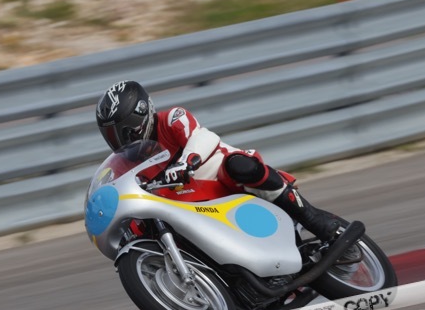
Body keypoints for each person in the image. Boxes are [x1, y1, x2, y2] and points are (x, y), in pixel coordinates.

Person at [95, 80, 341, 242]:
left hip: (217, 179)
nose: (121, 139)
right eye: (111, 134)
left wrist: (186, 163)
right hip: (187, 209)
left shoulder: (172, 118)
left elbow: (203, 137)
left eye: (126, 129)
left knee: (238, 166)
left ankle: (313, 219)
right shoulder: (126, 163)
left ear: (143, 112)